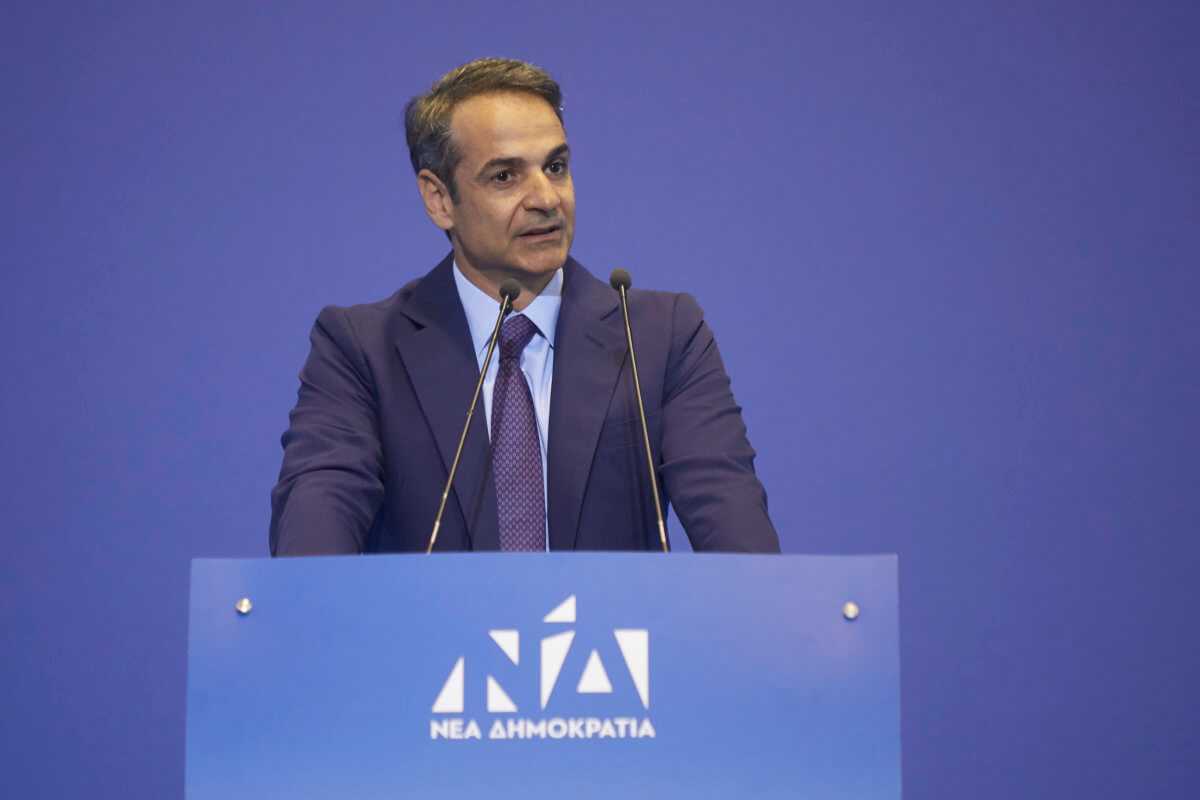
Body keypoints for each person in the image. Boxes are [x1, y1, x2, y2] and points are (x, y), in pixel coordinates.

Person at [269, 58, 779, 555]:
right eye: (504, 177)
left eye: (555, 167)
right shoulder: (362, 352)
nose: (546, 199)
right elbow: (312, 551)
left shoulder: (659, 337)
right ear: (439, 199)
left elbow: (739, 541)